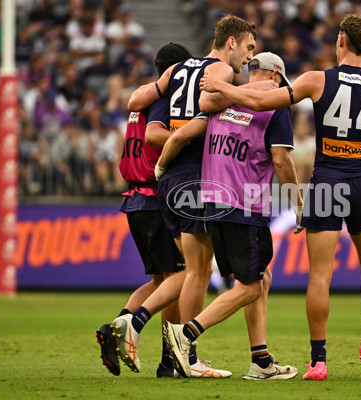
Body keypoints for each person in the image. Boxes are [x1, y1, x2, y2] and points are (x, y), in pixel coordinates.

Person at [199, 12, 361, 381]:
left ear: (340, 40)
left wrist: (225, 90)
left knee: (320, 276)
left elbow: (264, 103)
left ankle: (318, 361)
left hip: (327, 179)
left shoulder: (317, 79)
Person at [111, 14, 258, 378]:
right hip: (194, 173)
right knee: (196, 270)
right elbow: (209, 108)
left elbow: (138, 99)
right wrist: (240, 99)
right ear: (231, 42)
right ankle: (177, 350)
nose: (249, 58)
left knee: (190, 270)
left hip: (171, 178)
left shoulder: (177, 69)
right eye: (249, 48)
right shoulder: (221, 72)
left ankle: (165, 351)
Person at [159, 52, 301, 380]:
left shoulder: (221, 100)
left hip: (213, 204)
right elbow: (281, 160)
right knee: (252, 286)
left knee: (256, 280)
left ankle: (261, 361)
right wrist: (298, 203)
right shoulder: (276, 107)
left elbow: (181, 134)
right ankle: (187, 334)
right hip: (245, 204)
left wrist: (161, 168)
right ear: (277, 78)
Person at [95, 42, 191, 377]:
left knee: (161, 280)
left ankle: (115, 330)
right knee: (183, 275)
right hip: (155, 197)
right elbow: (156, 137)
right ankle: (166, 356)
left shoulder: (141, 100)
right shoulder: (165, 101)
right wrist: (190, 137)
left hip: (134, 199)